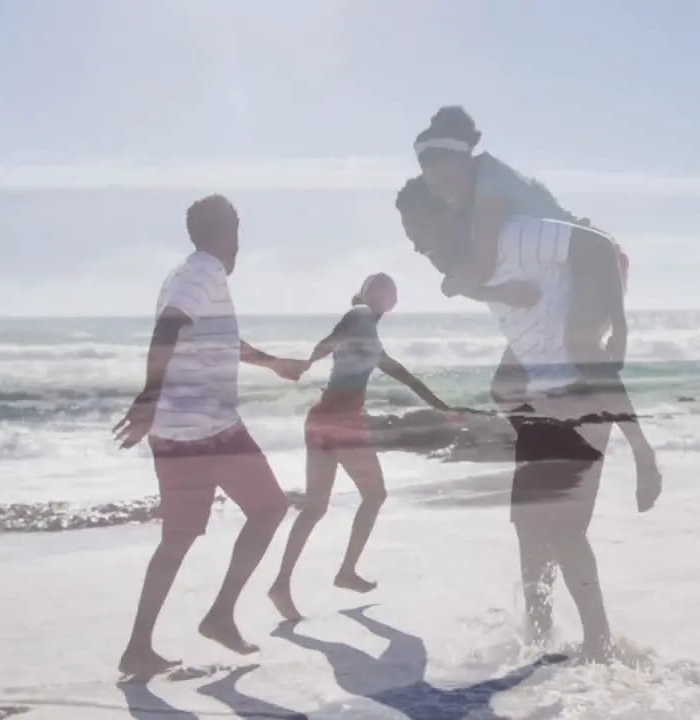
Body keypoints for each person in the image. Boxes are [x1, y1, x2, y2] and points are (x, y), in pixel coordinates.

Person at [395, 179, 662, 661]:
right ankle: (539, 639)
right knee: (528, 526)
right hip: (543, 402)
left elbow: (598, 252)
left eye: (419, 229)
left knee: (563, 530)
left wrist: (643, 455)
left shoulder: (514, 236)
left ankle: (599, 645)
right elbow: (477, 285)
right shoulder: (470, 266)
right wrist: (494, 291)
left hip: (579, 394)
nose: (414, 244)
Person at [410, 105, 660, 499]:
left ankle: (642, 453)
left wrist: (621, 330)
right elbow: (486, 279)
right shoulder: (468, 198)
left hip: (596, 257)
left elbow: (486, 267)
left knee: (580, 345)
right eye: (430, 178)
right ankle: (547, 445)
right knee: (504, 387)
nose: (438, 186)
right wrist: (470, 285)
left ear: (464, 159)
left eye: (443, 174)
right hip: (558, 268)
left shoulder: (489, 188)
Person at [113, 194, 307, 676]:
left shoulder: (186, 275)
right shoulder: (204, 272)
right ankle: (220, 614)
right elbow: (168, 329)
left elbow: (217, 341)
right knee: (269, 510)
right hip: (211, 430)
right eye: (237, 232)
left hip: (178, 434)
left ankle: (139, 646)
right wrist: (148, 394)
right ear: (229, 233)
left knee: (177, 539)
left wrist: (272, 363)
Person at [268, 273, 459, 621]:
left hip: (321, 419)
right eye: (381, 288)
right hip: (341, 421)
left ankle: (282, 585)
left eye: (391, 291)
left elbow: (406, 376)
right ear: (370, 294)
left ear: (394, 301)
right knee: (374, 495)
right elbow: (331, 338)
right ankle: (346, 571)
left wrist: (441, 407)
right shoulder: (359, 315)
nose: (387, 295)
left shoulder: (371, 339)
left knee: (315, 508)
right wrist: (309, 362)